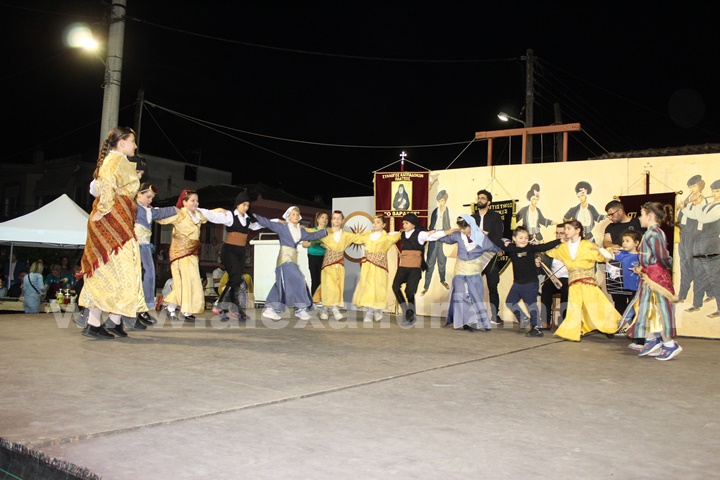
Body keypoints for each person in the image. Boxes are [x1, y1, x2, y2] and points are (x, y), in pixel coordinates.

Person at [79, 126, 146, 339]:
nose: (135, 145)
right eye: (132, 141)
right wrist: (103, 209)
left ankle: (114, 321)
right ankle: (94, 323)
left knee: (119, 271)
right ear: (122, 142)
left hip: (120, 220)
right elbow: (106, 183)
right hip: (112, 221)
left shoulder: (119, 161)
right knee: (111, 271)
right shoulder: (114, 160)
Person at [618, 202, 682, 360]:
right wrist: (641, 268)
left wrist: (655, 267)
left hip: (656, 278)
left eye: (641, 214)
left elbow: (662, 256)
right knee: (649, 308)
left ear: (650, 216)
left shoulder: (653, 233)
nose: (639, 218)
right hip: (649, 276)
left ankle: (669, 344)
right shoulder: (650, 233)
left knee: (658, 309)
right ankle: (653, 339)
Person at [155, 189, 230, 322]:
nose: (196, 203)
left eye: (197, 201)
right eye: (192, 200)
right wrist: (149, 211)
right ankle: (170, 308)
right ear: (184, 202)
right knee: (182, 282)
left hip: (192, 253)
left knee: (194, 281)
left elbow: (211, 213)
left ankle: (186, 310)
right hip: (180, 253)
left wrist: (222, 210)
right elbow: (161, 219)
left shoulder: (198, 214)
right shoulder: (179, 214)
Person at [543, 219, 620, 342]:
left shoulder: (588, 245)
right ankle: (573, 331)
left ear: (578, 230)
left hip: (588, 281)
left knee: (596, 305)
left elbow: (604, 257)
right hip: (573, 282)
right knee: (574, 307)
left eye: (568, 229)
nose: (565, 231)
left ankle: (610, 327)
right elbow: (548, 251)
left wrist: (607, 250)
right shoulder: (563, 248)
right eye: (565, 229)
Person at [254, 206, 329, 320]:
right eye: (293, 214)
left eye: (297, 214)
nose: (296, 216)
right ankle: (300, 308)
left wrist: (325, 232)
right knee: (298, 279)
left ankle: (271, 308)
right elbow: (267, 222)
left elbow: (313, 236)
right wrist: (252, 215)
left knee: (281, 284)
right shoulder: (282, 227)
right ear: (288, 216)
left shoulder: (300, 230)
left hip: (292, 260)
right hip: (285, 259)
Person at [435, 214, 500, 331]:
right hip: (460, 271)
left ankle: (477, 321)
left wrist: (501, 249)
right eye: (460, 228)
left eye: (464, 228)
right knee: (461, 295)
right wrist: (436, 234)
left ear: (471, 225)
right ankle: (466, 321)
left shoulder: (481, 237)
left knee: (475, 296)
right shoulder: (458, 235)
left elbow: (493, 247)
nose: (462, 230)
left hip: (474, 273)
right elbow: (446, 239)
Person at [501, 226, 562, 337]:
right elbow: (497, 241)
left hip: (530, 283)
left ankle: (537, 327)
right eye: (520, 238)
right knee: (510, 302)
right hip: (517, 283)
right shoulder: (511, 248)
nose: (523, 240)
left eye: (526, 238)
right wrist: (503, 241)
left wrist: (559, 240)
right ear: (514, 238)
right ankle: (524, 319)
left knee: (531, 306)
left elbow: (545, 246)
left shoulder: (531, 248)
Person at [211, 190, 262, 321]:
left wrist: (277, 222)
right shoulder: (229, 216)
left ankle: (234, 308)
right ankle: (222, 306)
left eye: (248, 205)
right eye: (244, 204)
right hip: (229, 250)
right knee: (235, 278)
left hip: (241, 251)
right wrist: (208, 210)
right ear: (238, 204)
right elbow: (212, 216)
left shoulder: (248, 219)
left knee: (236, 279)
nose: (246, 207)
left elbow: (261, 224)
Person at [134, 182, 178, 327]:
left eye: (152, 198)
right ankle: (136, 309)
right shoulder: (132, 207)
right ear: (138, 194)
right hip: (134, 246)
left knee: (149, 275)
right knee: (139, 276)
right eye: (148, 197)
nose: (150, 200)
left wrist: (177, 209)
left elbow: (161, 213)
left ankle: (142, 308)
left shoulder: (149, 210)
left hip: (145, 247)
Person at [391, 213, 445, 325]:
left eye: (406, 223)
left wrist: (449, 231)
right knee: (395, 286)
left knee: (409, 292)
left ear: (413, 224)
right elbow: (388, 235)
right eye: (403, 223)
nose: (404, 225)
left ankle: (411, 316)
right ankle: (407, 311)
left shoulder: (420, 235)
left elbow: (435, 236)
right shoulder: (401, 234)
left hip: (414, 268)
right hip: (403, 266)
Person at [352, 215, 402, 322]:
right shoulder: (367, 235)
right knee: (368, 287)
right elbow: (356, 239)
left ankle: (378, 310)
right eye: (374, 222)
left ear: (384, 225)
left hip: (380, 265)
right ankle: (369, 312)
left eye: (378, 222)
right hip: (368, 265)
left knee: (379, 287)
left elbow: (398, 235)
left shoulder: (386, 237)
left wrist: (390, 233)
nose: (375, 224)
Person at [681, 178, 720, 318]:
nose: (714, 194)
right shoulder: (710, 204)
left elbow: (703, 219)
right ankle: (697, 304)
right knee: (698, 274)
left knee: (714, 276)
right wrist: (687, 207)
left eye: (717, 191)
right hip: (701, 241)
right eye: (713, 191)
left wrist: (697, 204)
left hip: (712, 243)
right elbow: (696, 216)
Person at [600, 230, 643, 349]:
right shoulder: (622, 254)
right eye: (623, 241)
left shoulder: (641, 256)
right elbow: (607, 256)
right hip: (627, 287)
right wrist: (608, 250)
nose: (624, 243)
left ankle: (639, 338)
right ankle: (620, 329)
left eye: (627, 241)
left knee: (637, 312)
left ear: (636, 243)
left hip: (638, 288)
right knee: (627, 310)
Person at [315, 210, 361, 321]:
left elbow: (360, 238)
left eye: (339, 218)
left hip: (339, 263)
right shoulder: (326, 232)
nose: (336, 220)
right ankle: (335, 309)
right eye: (334, 218)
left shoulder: (346, 235)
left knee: (337, 286)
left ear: (342, 221)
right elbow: (311, 234)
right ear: (331, 220)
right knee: (330, 286)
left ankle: (325, 308)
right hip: (328, 263)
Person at [471, 189, 505, 325]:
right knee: (472, 286)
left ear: (489, 202)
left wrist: (486, 234)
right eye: (478, 198)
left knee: (492, 285)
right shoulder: (472, 218)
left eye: (483, 198)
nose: (480, 200)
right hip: (475, 256)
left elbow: (498, 236)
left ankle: (495, 315)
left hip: (490, 256)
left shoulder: (495, 217)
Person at [676, 175, 710, 312]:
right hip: (684, 236)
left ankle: (697, 302)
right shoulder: (688, 199)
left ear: (700, 186)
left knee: (695, 268)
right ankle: (682, 296)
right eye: (690, 187)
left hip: (694, 236)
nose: (692, 189)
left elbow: (696, 216)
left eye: (694, 186)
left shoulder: (702, 200)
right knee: (684, 266)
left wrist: (683, 208)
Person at [537, 223, 569, 329]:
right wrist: (539, 262)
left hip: (568, 278)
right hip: (554, 278)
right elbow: (543, 267)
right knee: (546, 287)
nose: (559, 236)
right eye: (557, 233)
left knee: (567, 290)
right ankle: (545, 321)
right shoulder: (552, 248)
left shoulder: (572, 248)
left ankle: (564, 321)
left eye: (562, 233)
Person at [421, 190, 451, 295]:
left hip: (443, 238)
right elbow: (431, 225)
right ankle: (426, 286)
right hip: (434, 237)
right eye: (439, 201)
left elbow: (449, 226)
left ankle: (443, 280)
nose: (441, 203)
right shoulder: (435, 211)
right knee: (430, 262)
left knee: (442, 261)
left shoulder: (448, 211)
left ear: (445, 199)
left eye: (442, 200)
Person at [303, 211, 328, 301]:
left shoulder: (329, 231)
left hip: (325, 257)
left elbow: (333, 246)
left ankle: (323, 299)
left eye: (326, 218)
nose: (324, 220)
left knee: (324, 279)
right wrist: (312, 242)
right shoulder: (311, 231)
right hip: (312, 256)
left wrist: (322, 244)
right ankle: (314, 300)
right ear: (317, 219)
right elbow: (304, 244)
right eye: (322, 218)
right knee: (314, 278)